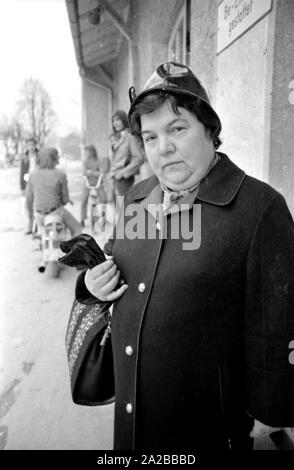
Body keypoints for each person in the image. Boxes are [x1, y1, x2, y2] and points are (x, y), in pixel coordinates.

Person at [75, 62, 294, 450]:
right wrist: (92, 282)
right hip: (134, 417)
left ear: (210, 130)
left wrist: (271, 417)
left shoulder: (259, 209)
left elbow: (277, 324)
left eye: (177, 129)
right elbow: (118, 261)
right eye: (151, 137)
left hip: (209, 428)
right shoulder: (138, 197)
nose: (164, 148)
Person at [26, 147, 82, 237]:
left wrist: (31, 216)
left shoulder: (32, 174)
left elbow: (29, 198)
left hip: (39, 215)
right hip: (55, 212)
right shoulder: (60, 174)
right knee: (77, 229)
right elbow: (64, 200)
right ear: (54, 158)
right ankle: (73, 250)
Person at [108, 110, 145, 200]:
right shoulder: (115, 138)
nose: (115, 123)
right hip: (115, 179)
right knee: (118, 209)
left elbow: (139, 158)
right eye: (113, 121)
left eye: (118, 120)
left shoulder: (130, 136)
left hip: (124, 179)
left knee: (124, 209)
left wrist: (123, 173)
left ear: (124, 120)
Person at [80, 144, 107, 227]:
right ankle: (82, 218)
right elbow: (84, 172)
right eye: (85, 152)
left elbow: (102, 172)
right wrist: (95, 172)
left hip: (98, 183)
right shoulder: (85, 161)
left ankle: (102, 217)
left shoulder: (99, 161)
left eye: (87, 152)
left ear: (92, 152)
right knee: (83, 200)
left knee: (103, 199)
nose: (85, 154)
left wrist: (91, 172)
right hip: (88, 184)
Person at [19, 137, 39, 234]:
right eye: (28, 145)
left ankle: (37, 226)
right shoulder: (24, 158)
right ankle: (30, 226)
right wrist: (22, 187)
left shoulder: (39, 156)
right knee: (28, 206)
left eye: (32, 145)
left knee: (38, 205)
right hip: (28, 184)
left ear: (35, 145)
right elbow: (22, 173)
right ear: (26, 147)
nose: (30, 147)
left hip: (38, 183)